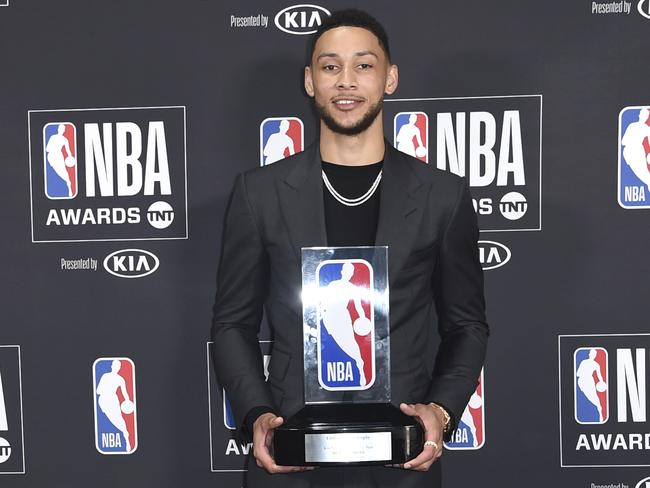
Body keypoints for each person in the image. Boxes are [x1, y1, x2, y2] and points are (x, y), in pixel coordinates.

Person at [211, 8, 488, 487]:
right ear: (309, 81)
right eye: (330, 66)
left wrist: (440, 413)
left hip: (403, 458)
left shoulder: (442, 196)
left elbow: (466, 324)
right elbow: (233, 323)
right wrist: (257, 414)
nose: (346, 82)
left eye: (363, 65)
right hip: (289, 453)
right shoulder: (259, 193)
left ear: (390, 78)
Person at [96, 359, 132, 452]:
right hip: (104, 400)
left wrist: (127, 401)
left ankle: (126, 438)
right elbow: (98, 391)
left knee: (119, 419)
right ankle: (125, 434)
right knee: (111, 418)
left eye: (118, 366)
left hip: (113, 400)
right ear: (112, 366)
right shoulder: (105, 376)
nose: (116, 367)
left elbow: (125, 393)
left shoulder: (120, 379)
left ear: (119, 368)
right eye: (115, 365)